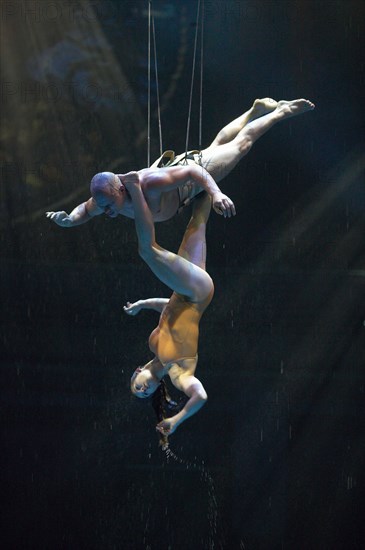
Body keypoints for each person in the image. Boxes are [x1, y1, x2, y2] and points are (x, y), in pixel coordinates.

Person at [46, 98, 315, 225]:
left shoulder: (148, 184)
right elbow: (84, 208)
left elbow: (195, 172)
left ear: (120, 189)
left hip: (192, 174)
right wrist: (69, 219)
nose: (105, 211)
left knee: (239, 146)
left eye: (107, 205)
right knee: (217, 146)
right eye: (102, 207)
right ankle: (253, 110)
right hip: (181, 182)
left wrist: (216, 193)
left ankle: (280, 112)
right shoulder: (105, 200)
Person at [122, 168, 215, 441]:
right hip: (195, 293)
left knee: (200, 212)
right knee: (146, 250)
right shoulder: (177, 373)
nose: (142, 391)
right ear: (155, 388)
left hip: (185, 290)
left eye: (137, 388)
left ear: (137, 372)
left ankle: (207, 170)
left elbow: (167, 308)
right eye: (146, 393)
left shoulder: (153, 344)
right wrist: (176, 419)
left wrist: (141, 304)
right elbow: (201, 396)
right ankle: (134, 186)